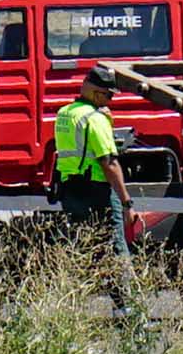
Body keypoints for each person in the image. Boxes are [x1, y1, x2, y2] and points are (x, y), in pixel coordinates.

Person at [54, 64, 139, 322]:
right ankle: (128, 310)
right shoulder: (95, 119)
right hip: (97, 191)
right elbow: (109, 162)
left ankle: (75, 312)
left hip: (70, 189)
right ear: (95, 92)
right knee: (116, 250)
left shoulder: (65, 113)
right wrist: (127, 202)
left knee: (84, 249)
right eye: (108, 95)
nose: (110, 100)